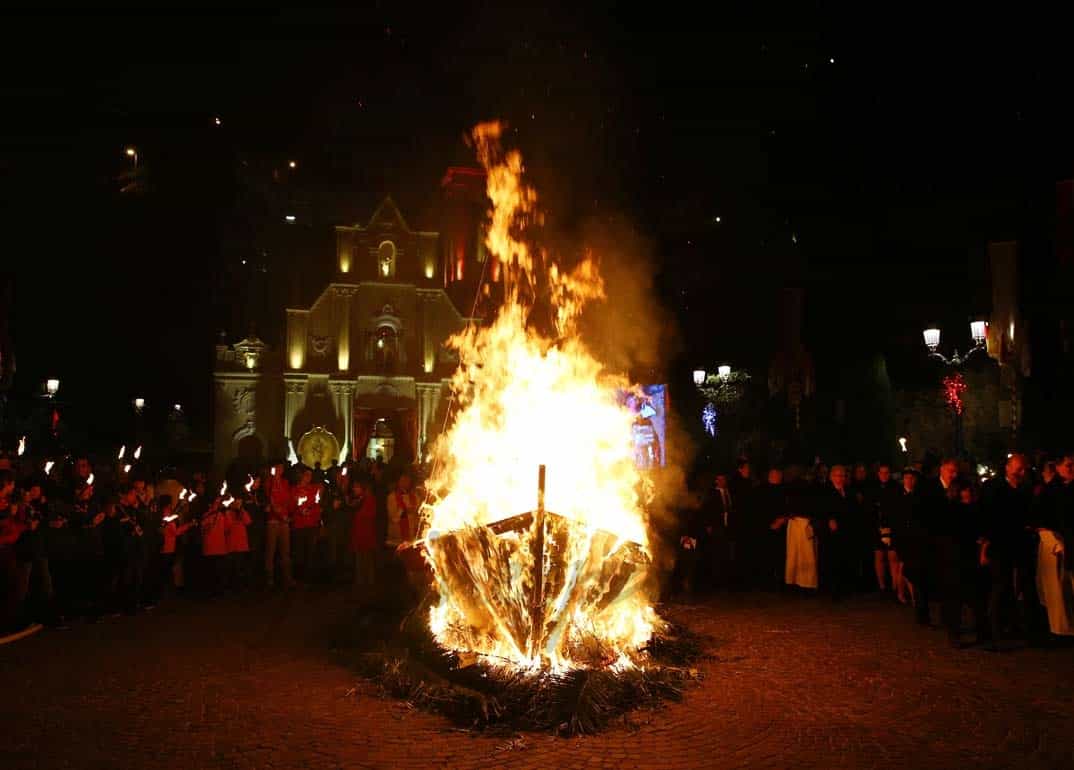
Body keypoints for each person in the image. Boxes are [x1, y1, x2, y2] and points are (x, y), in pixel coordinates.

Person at [979, 453, 1034, 649]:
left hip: (1017, 545)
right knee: (999, 586)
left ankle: (1010, 625)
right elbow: (988, 517)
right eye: (1018, 469)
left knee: (1012, 587)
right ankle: (994, 632)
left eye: (1023, 469)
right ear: (1008, 468)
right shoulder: (993, 488)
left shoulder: (1024, 489)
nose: (1021, 472)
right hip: (999, 545)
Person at [817, 465, 857, 600]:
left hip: (846, 531)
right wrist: (829, 519)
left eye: (842, 476)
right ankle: (833, 589)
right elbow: (821, 510)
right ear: (831, 477)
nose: (840, 479)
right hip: (831, 533)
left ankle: (844, 587)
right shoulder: (824, 492)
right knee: (832, 560)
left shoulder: (849, 492)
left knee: (845, 559)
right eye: (837, 476)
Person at [868, 463, 902, 595]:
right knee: (879, 555)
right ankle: (881, 586)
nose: (884, 475)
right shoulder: (873, 487)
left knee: (892, 556)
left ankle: (894, 585)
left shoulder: (895, 487)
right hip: (877, 526)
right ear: (878, 474)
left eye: (887, 472)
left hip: (892, 525)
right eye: (882, 472)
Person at [264, 462, 295, 589]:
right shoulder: (269, 483)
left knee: (285, 550)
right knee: (270, 550)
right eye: (277, 467)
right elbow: (268, 499)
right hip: (273, 521)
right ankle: (269, 578)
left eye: (281, 468)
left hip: (284, 520)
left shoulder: (285, 483)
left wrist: (286, 514)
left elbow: (287, 499)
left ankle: (287, 578)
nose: (279, 470)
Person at [348, 475, 378, 596]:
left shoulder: (368, 499)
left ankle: (366, 586)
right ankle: (362, 584)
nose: (354, 489)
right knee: (361, 559)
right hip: (360, 534)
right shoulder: (360, 499)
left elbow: (367, 515)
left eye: (356, 487)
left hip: (365, 534)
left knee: (365, 559)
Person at [291, 469, 322, 582]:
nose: (309, 477)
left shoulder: (313, 489)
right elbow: (291, 506)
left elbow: (317, 505)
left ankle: (308, 576)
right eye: (306, 475)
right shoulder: (294, 489)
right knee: (299, 552)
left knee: (310, 551)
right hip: (299, 525)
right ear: (301, 476)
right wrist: (300, 510)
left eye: (310, 475)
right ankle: (299, 576)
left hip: (311, 524)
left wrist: (312, 512)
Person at [200, 496, 229, 596]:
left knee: (220, 572)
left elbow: (227, 529)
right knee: (210, 572)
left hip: (220, 548)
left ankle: (220, 592)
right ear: (210, 505)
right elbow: (203, 529)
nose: (218, 505)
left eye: (218, 503)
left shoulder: (222, 515)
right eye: (216, 503)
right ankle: (210, 592)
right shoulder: (206, 515)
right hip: (209, 548)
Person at [225, 497, 252, 590]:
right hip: (231, 545)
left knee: (240, 567)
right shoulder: (227, 513)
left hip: (241, 545)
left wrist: (241, 511)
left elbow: (248, 522)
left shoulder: (242, 512)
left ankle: (240, 586)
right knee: (232, 567)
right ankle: (232, 587)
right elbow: (228, 526)